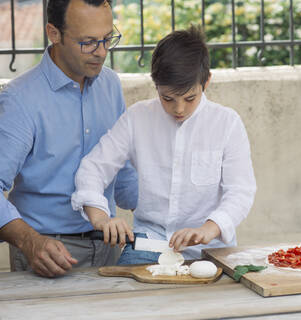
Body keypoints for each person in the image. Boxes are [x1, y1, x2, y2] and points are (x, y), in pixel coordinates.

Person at [71, 25, 256, 263]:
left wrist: (208, 229)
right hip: (150, 243)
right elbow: (94, 167)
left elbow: (241, 191)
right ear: (155, 85)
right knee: (126, 293)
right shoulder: (137, 118)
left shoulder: (227, 123)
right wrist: (101, 218)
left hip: (211, 247)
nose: (179, 109)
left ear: (206, 82)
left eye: (190, 98)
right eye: (167, 98)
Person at [0, 0, 138, 277]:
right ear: (54, 33)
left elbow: (123, 176)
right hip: (48, 255)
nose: (101, 52)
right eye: (88, 42)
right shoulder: (19, 100)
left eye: (107, 39)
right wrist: (30, 242)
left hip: (111, 249)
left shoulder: (111, 85)